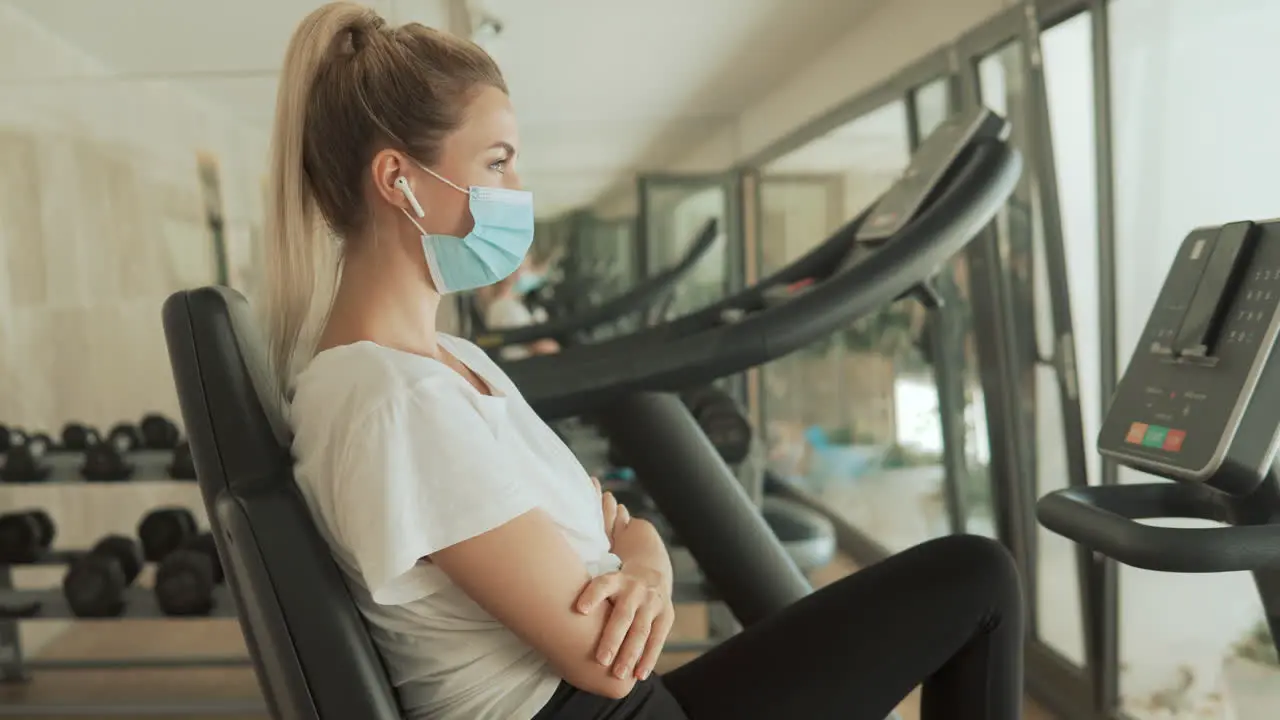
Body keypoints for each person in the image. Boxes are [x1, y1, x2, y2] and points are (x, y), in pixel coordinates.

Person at [264, 3, 1026, 720]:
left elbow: (617, 522)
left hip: (627, 706)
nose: (519, 193)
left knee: (969, 574)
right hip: (607, 708)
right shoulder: (398, 401)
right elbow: (607, 657)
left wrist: (646, 565)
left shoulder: (448, 363)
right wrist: (626, 557)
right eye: (498, 163)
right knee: (977, 577)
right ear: (400, 180)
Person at [478, 256, 561, 360]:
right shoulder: (505, 307)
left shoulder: (509, 305)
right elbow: (542, 346)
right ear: (513, 273)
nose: (530, 273)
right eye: (526, 268)